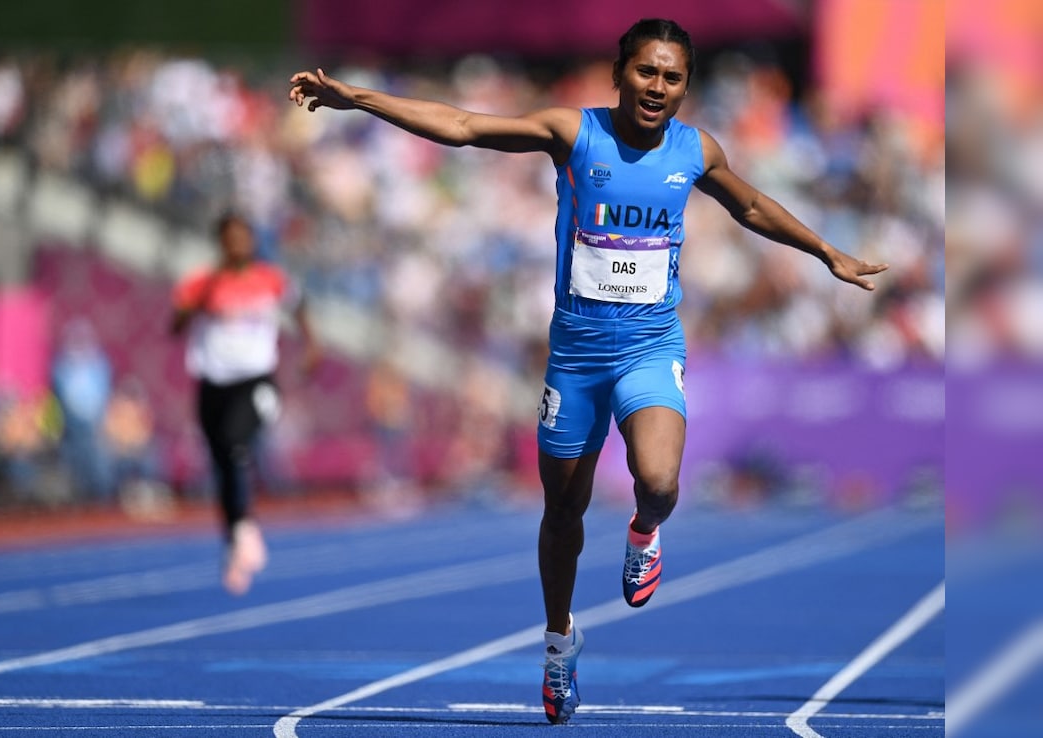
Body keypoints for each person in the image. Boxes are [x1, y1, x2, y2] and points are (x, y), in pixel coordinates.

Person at [290, 17, 889, 724]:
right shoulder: (574, 135)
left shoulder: (695, 151)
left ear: (684, 86)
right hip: (575, 359)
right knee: (563, 514)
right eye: (645, 72)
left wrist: (827, 252)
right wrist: (358, 98)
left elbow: (752, 203)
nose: (656, 87)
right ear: (621, 72)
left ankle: (644, 532)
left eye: (671, 77)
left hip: (649, 349)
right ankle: (558, 641)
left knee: (661, 482)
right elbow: (460, 125)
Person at [171, 211, 320, 595]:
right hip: (212, 383)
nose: (237, 244)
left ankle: (244, 530)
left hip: (256, 382)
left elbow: (299, 304)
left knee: (238, 447)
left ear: (252, 241)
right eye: (230, 238)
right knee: (222, 462)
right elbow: (175, 326)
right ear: (220, 242)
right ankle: (234, 537)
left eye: (244, 237)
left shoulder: (270, 278)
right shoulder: (201, 282)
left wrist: (311, 344)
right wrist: (197, 302)